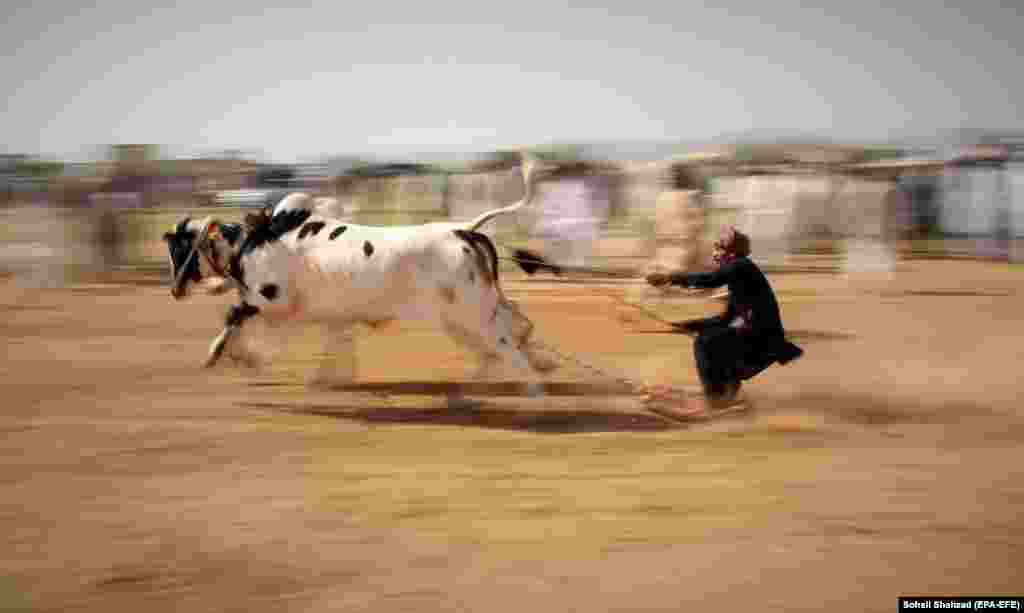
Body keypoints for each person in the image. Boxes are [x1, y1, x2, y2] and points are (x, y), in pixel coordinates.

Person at [644, 226, 803, 420]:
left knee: (705, 342)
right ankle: (729, 400)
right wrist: (682, 326)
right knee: (717, 343)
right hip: (759, 338)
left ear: (731, 251)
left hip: (762, 339)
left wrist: (670, 278)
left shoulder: (740, 266)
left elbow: (710, 280)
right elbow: (724, 320)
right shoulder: (739, 278)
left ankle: (715, 402)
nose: (714, 254)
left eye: (718, 249)